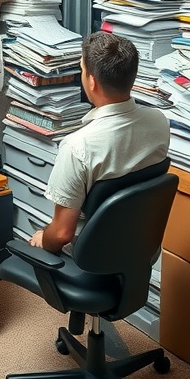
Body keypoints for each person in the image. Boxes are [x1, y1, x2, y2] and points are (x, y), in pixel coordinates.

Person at [29, 30, 170, 253]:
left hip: (88, 256)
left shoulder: (78, 147)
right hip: (137, 248)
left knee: (41, 238)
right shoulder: (159, 122)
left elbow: (62, 234)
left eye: (82, 69)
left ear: (92, 82)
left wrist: (43, 238)